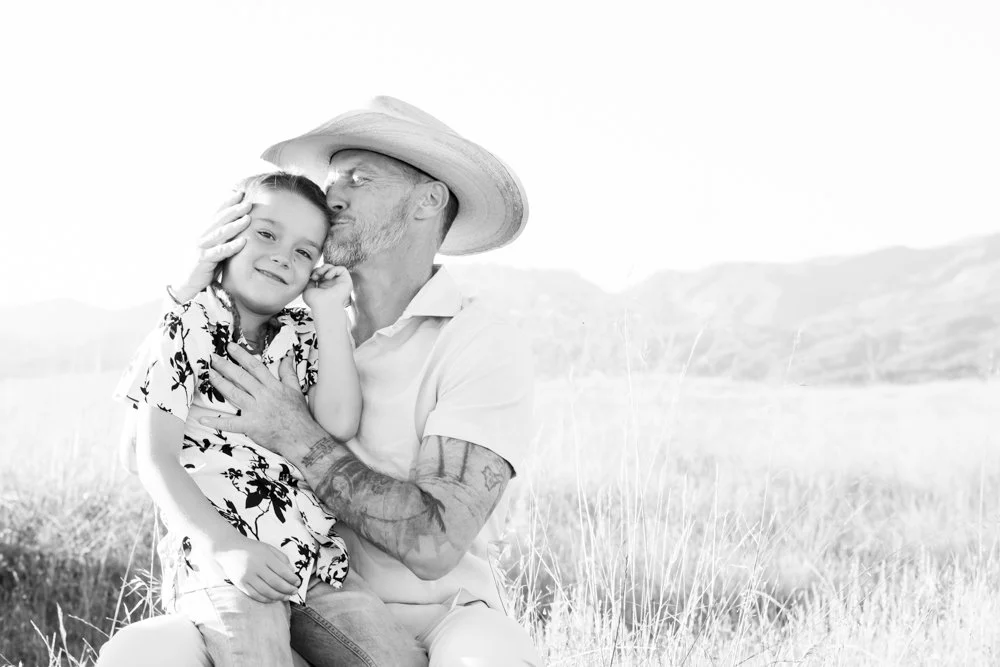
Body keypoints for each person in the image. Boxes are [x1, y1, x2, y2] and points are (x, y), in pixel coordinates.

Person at [98, 96, 541, 666]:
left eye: (358, 179)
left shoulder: (477, 339)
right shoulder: (288, 318)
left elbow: (434, 545)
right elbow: (141, 453)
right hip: (253, 570)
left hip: (430, 610)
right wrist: (192, 289)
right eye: (333, 181)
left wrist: (290, 429)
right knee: (140, 654)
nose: (334, 196)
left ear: (428, 200)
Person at [112, 171, 422, 667]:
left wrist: (326, 311)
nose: (283, 255)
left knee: (395, 660)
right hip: (219, 554)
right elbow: (152, 457)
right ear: (228, 236)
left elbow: (339, 421)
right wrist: (228, 547)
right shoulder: (189, 321)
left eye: (304, 251)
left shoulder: (302, 332)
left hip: (312, 556)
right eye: (267, 234)